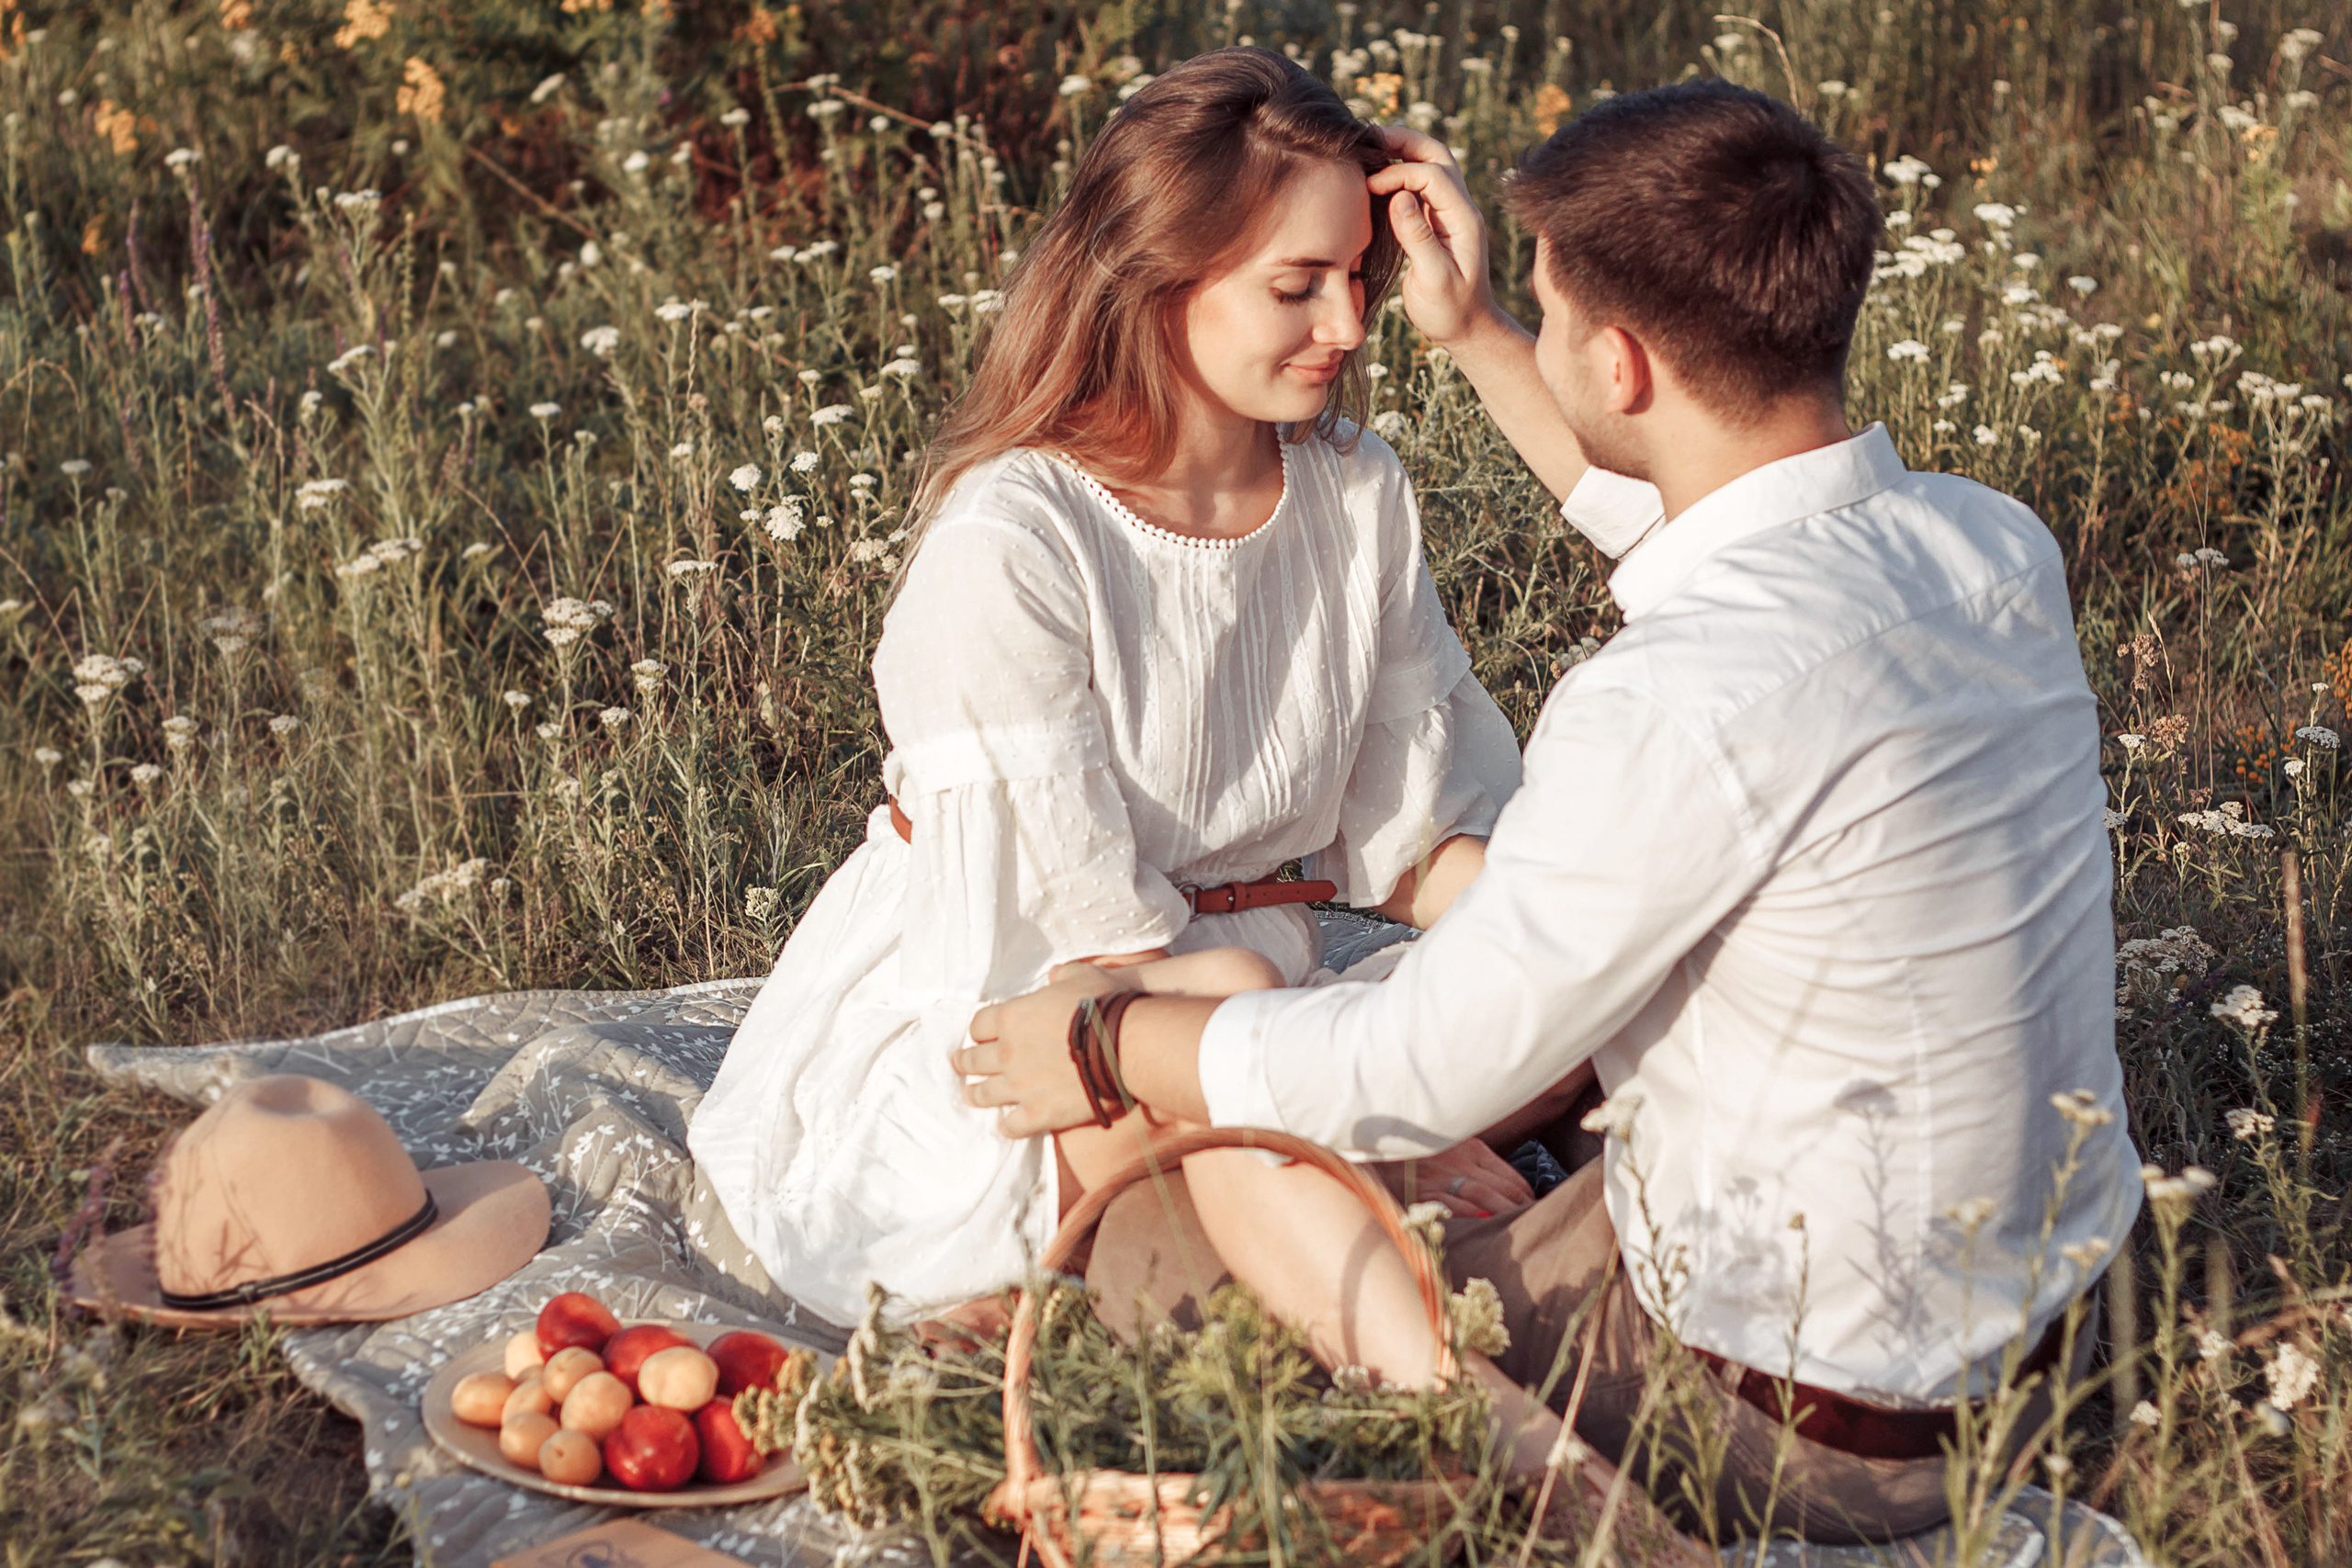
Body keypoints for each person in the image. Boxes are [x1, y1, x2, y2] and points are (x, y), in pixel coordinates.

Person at [963, 80, 2145, 1543]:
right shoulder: (1987, 548)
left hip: (1785, 1426)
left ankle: (1566, 1508)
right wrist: (1475, 335)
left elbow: (1411, 1063)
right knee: (1435, 1096)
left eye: (1553, 311)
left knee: (1165, 1219)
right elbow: (1709, 516)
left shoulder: (1675, 695)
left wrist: (1104, 1033)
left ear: (1623, 362)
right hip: (2028, 1364)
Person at [688, 49, 1527, 1340]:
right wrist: (1372, 1124)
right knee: (1247, 1001)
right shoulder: (1021, 536)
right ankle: (1361, 1261)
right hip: (1018, 1011)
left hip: (1238, 1002)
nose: (1351, 327)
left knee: (1561, 976)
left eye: (1356, 277)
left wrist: (1554, 939)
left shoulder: (1358, 496)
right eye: (1295, 286)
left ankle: (1330, 1218)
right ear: (1156, 278)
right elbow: (1085, 954)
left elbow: (1415, 842)